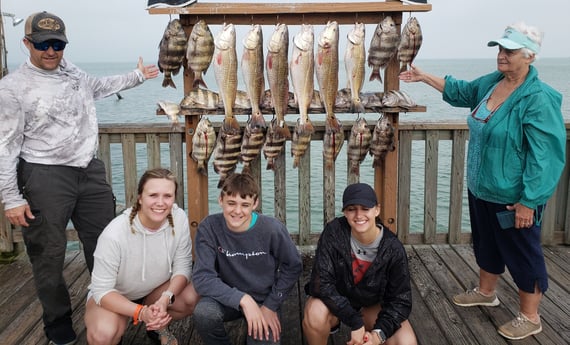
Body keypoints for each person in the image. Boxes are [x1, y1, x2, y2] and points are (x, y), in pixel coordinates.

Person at [0, 11, 159, 345]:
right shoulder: (12, 88)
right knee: (49, 252)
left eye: (58, 44)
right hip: (44, 175)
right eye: (43, 44)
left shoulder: (72, 72)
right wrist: (12, 197)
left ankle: (111, 305)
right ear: (27, 43)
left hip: (89, 171)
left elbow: (101, 86)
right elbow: (6, 146)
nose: (51, 52)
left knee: (108, 244)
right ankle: (57, 322)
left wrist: (137, 76)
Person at [399, 22, 566, 340]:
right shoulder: (494, 82)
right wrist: (422, 76)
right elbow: (461, 91)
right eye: (500, 49)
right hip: (482, 187)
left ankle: (530, 316)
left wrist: (529, 201)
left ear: (529, 56)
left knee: (522, 251)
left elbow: (546, 157)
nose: (501, 55)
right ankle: (487, 292)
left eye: (510, 50)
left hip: (513, 195)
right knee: (487, 243)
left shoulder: (537, 99)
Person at [84, 168, 199, 345]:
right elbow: (102, 290)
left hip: (155, 291)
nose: (160, 202)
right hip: (117, 295)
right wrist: (140, 312)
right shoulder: (114, 234)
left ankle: (157, 327)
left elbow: (183, 266)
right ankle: (125, 327)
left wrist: (165, 298)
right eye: (153, 195)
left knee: (192, 297)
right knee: (103, 334)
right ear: (140, 197)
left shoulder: (179, 218)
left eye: (167, 196)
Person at [192, 172, 303, 345]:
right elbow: (202, 277)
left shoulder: (272, 229)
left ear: (255, 203)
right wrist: (243, 299)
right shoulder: (209, 227)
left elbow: (293, 265)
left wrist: (271, 305)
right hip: (225, 298)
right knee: (204, 313)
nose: (237, 211)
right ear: (221, 200)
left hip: (263, 300)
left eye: (245, 205)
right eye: (231, 203)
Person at [303, 183, 417, 345]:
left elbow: (400, 301)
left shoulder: (393, 248)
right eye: (351, 209)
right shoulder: (334, 232)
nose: (358, 215)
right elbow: (321, 283)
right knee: (314, 313)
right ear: (344, 212)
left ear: (377, 210)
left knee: (406, 342)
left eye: (365, 208)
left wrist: (378, 336)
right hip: (336, 302)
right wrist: (354, 321)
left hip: (372, 305)